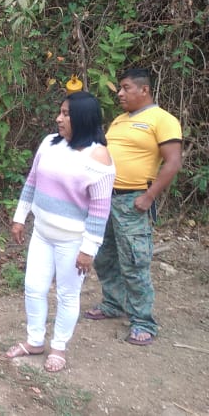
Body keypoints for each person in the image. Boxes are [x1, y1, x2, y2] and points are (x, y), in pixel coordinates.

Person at [7, 91, 115, 372]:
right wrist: (20, 218)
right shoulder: (49, 143)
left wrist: (88, 250)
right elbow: (32, 182)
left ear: (83, 118)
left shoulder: (98, 157)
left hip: (73, 240)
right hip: (42, 234)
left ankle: (58, 347)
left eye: (66, 114)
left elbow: (100, 211)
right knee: (33, 287)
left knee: (67, 294)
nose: (59, 118)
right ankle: (34, 341)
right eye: (60, 112)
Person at [85, 68, 182, 346]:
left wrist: (149, 196)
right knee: (104, 255)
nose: (120, 93)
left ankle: (143, 321)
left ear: (144, 90)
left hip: (133, 201)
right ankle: (113, 303)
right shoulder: (119, 121)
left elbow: (173, 162)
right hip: (104, 198)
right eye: (120, 88)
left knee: (134, 261)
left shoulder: (162, 120)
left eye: (126, 88)